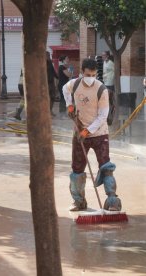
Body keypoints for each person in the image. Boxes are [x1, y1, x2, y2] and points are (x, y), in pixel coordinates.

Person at [62, 58, 122, 212]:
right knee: (77, 169)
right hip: (79, 132)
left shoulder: (101, 89)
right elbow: (64, 89)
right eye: (88, 74)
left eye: (94, 75)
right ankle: (79, 202)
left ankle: (112, 200)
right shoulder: (74, 84)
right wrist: (69, 105)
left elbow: (103, 116)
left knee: (106, 167)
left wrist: (87, 131)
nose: (91, 78)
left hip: (100, 134)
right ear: (82, 72)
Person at [47, 51, 58, 116]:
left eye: (49, 55)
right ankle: (46, 111)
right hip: (46, 83)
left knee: (53, 97)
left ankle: (50, 110)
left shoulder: (50, 62)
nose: (49, 57)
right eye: (47, 55)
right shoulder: (42, 63)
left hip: (51, 83)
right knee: (47, 98)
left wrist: (57, 76)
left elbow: (53, 71)